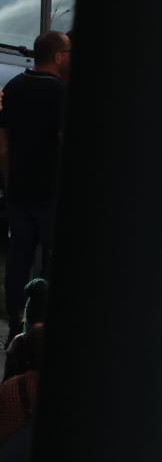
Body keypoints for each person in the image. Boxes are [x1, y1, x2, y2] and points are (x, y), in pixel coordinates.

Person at [0, 31, 67, 333]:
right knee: (51, 259)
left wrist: (8, 179)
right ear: (58, 57)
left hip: (18, 188)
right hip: (50, 190)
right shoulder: (60, 93)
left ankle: (17, 319)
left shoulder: (13, 87)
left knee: (19, 257)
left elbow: (3, 143)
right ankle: (42, 322)